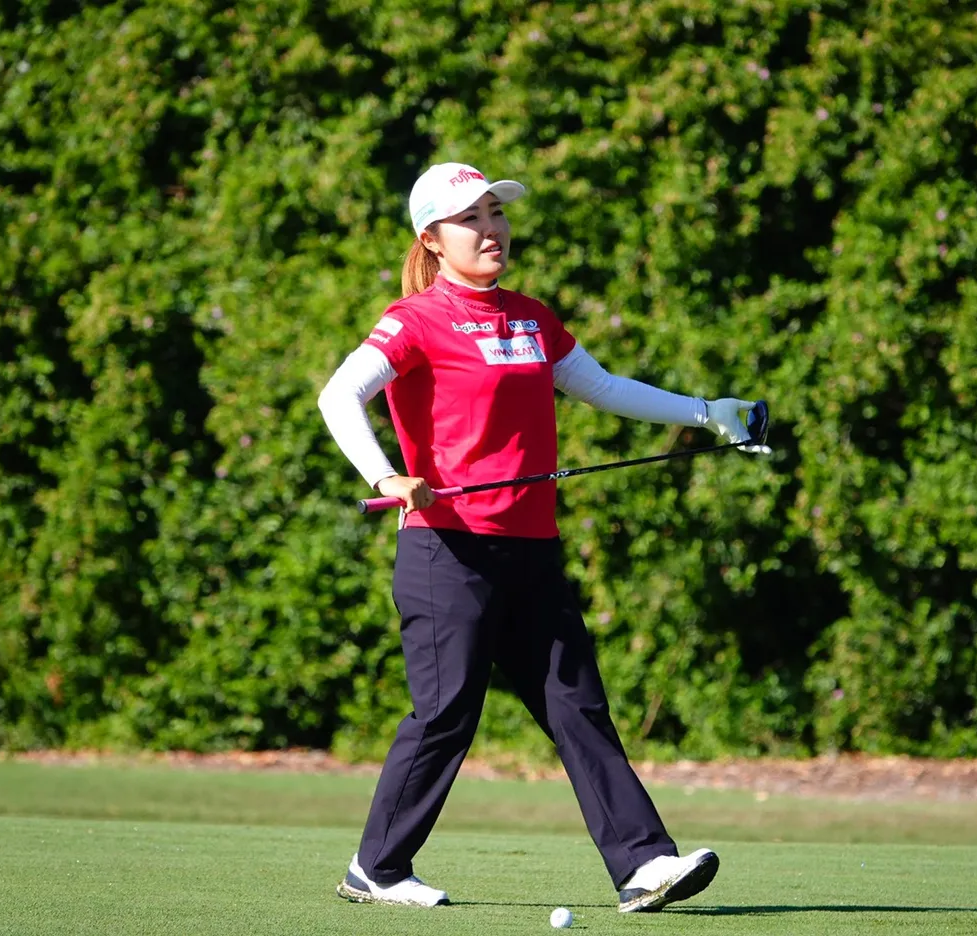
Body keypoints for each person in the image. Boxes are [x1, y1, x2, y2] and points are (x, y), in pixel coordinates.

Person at [316, 161, 767, 913]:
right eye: (470, 219)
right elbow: (340, 395)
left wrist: (706, 412)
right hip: (447, 549)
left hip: (530, 548)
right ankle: (378, 868)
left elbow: (607, 388)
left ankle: (645, 866)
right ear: (432, 239)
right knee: (446, 714)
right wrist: (385, 475)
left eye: (496, 213)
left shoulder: (531, 318)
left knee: (576, 704)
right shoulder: (415, 319)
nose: (490, 229)